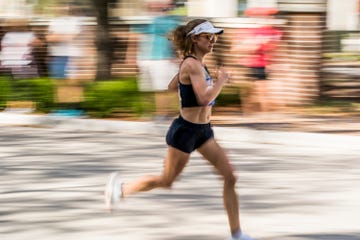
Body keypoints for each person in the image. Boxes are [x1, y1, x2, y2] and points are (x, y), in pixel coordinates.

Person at [105, 19, 254, 240]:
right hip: (185, 132)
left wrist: (185, 80)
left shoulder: (194, 63)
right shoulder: (192, 64)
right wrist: (221, 81)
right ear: (195, 39)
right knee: (166, 181)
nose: (213, 41)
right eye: (208, 37)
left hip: (203, 132)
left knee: (230, 177)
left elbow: (172, 86)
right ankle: (120, 189)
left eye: (214, 37)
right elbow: (204, 98)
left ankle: (237, 234)